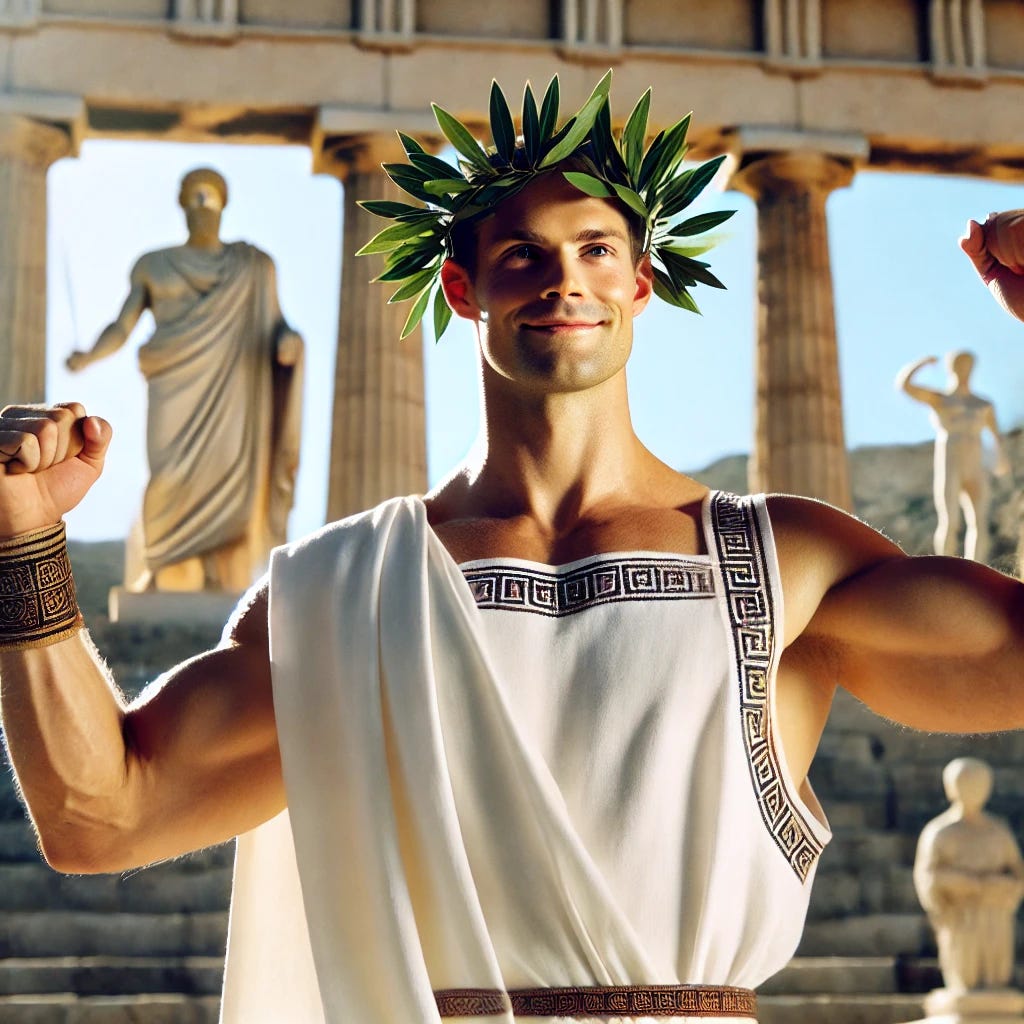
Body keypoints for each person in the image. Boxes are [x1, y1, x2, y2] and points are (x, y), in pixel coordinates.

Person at [2, 74, 1024, 1024]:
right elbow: (103, 815)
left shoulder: (785, 562)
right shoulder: (341, 590)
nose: (561, 279)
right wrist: (22, 538)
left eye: (594, 249)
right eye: (523, 253)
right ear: (461, 288)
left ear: (639, 287)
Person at [66, 167, 304, 593]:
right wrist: (89, 355)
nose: (201, 206)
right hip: (173, 383)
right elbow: (122, 326)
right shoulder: (153, 265)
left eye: (209, 196)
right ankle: (161, 567)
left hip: (233, 390)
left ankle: (218, 575)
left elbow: (277, 325)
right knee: (168, 475)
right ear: (180, 203)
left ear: (224, 204)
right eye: (193, 196)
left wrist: (289, 343)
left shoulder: (254, 266)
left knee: (229, 479)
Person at [913, 757, 1024, 993]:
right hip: (960, 915)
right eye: (966, 783)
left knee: (997, 982)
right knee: (965, 981)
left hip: (995, 915)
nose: (974, 790)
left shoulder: (998, 832)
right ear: (952, 788)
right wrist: (964, 883)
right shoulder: (940, 833)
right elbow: (927, 877)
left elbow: (1018, 873)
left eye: (979, 784)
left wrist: (1004, 887)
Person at [895, 350, 1008, 563]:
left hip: (975, 463)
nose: (964, 370)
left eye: (968, 365)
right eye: (960, 365)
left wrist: (1000, 459)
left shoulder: (982, 404)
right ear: (952, 369)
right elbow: (906, 387)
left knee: (978, 521)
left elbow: (996, 436)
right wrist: (922, 363)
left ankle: (976, 567)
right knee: (950, 520)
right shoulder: (941, 400)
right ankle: (943, 567)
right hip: (951, 460)